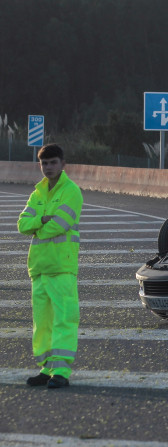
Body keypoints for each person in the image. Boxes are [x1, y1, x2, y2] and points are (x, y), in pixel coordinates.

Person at [17, 143, 82, 389]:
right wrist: (42, 219)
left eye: (53, 162)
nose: (48, 167)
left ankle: (61, 372)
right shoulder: (37, 193)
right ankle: (46, 369)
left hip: (62, 267)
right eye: (44, 163)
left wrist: (39, 224)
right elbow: (22, 224)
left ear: (63, 164)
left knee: (64, 319)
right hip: (39, 267)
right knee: (42, 323)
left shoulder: (71, 191)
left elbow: (61, 224)